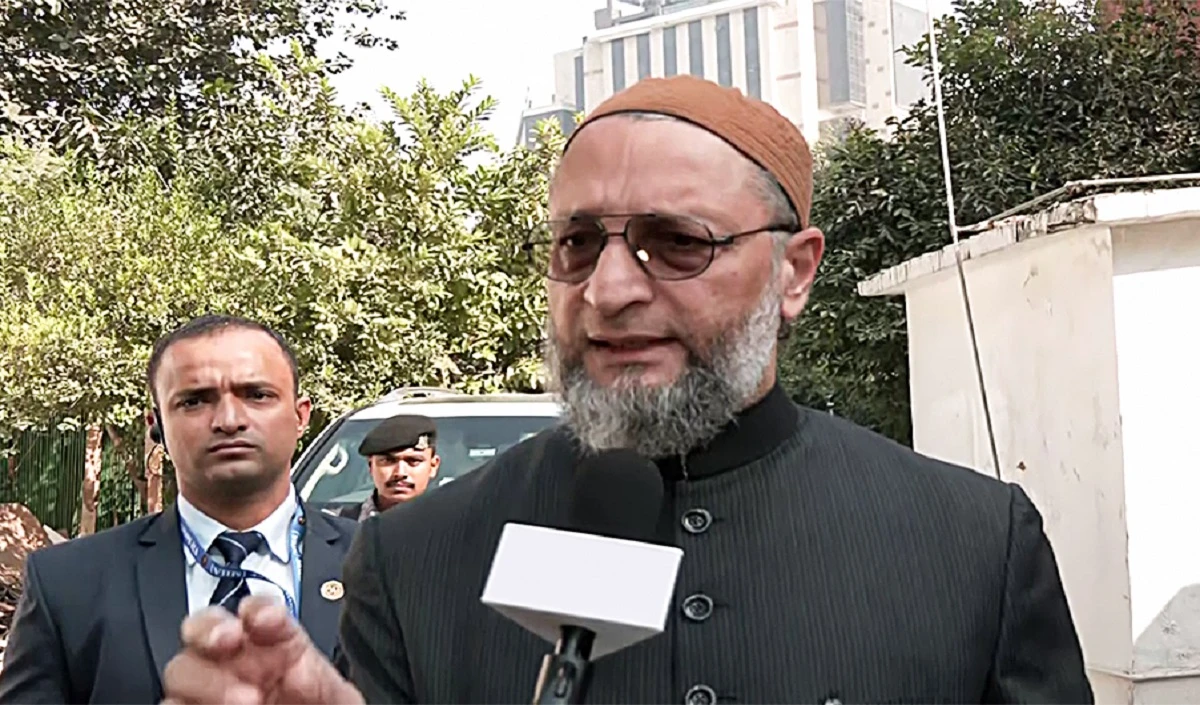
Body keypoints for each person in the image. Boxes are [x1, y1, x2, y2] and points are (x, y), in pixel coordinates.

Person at [161, 76, 1094, 704]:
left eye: (676, 241)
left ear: (795, 270)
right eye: (578, 243)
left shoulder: (973, 545)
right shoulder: (417, 559)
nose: (607, 289)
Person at [0, 315, 359, 704]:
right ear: (156, 425)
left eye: (257, 395)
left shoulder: (384, 568)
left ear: (300, 415)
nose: (229, 420)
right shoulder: (67, 583)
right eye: (195, 401)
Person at [339, 415, 441, 521]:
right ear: (371, 466)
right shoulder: (337, 525)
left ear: (433, 466)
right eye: (388, 461)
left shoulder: (449, 524)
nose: (400, 473)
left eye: (413, 461)